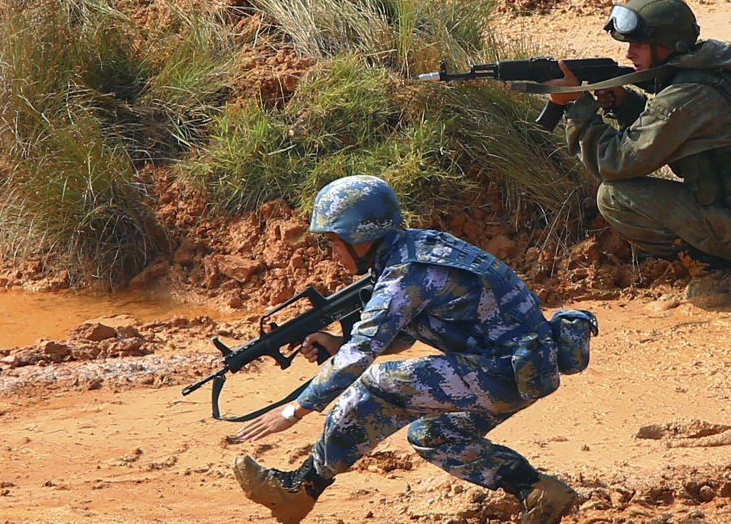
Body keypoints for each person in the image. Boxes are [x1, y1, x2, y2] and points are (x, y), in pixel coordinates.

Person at [230, 175, 597, 524]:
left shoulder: (406, 273)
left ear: (359, 236)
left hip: (503, 371)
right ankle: (537, 491)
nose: (332, 252)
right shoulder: (415, 248)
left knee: (376, 382)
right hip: (522, 371)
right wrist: (335, 343)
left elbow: (362, 354)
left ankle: (301, 488)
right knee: (434, 436)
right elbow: (402, 335)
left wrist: (295, 410)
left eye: (333, 242)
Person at [547, 0, 731, 271]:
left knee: (613, 197)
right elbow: (679, 129)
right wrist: (626, 103)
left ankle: (712, 270)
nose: (629, 53)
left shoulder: (687, 96)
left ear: (667, 45)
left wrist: (577, 104)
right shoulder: (721, 70)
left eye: (639, 45)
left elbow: (613, 163)